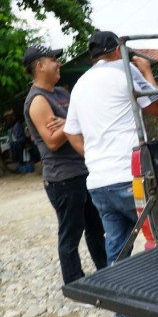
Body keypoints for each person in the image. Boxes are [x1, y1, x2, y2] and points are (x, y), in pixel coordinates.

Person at [63, 31, 158, 317]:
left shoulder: (79, 86)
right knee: (156, 240)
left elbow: (71, 132)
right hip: (130, 175)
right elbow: (156, 107)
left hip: (99, 180)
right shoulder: (126, 70)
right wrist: (147, 72)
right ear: (114, 51)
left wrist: (93, 156)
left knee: (116, 248)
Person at [22, 44, 107, 286]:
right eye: (53, 60)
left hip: (84, 171)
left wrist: (68, 123)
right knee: (71, 234)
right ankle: (74, 282)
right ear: (39, 66)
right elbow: (52, 141)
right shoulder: (38, 100)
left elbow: (79, 124)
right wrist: (72, 121)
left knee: (95, 227)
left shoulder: (61, 93)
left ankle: (106, 271)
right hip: (63, 179)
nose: (58, 63)